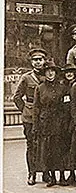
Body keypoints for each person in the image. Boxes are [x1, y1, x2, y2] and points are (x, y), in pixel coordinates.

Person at [14, 48, 47, 185]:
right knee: (31, 145)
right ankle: (32, 173)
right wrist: (26, 109)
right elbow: (17, 97)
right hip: (30, 118)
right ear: (31, 62)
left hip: (45, 117)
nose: (38, 62)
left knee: (46, 145)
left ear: (44, 61)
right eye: (35, 60)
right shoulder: (26, 78)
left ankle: (46, 173)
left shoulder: (48, 76)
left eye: (40, 60)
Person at [33, 59, 66, 187]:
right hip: (46, 123)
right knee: (48, 151)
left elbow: (66, 106)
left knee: (60, 150)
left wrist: (64, 122)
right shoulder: (40, 88)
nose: (50, 74)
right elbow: (36, 108)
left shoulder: (62, 87)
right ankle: (51, 176)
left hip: (59, 122)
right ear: (44, 73)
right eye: (48, 72)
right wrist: (36, 126)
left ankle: (62, 176)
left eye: (52, 71)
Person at [60, 63, 76, 185]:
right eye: (67, 72)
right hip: (63, 120)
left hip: (74, 120)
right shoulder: (62, 87)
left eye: (71, 72)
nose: (69, 74)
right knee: (65, 148)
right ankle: (69, 173)